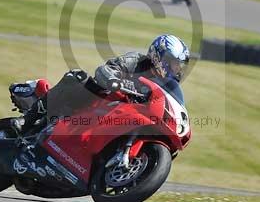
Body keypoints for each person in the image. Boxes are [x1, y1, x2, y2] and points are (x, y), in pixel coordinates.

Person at [19, 34, 190, 135]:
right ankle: (27, 120)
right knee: (77, 77)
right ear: (158, 55)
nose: (175, 69)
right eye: (173, 63)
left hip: (123, 117)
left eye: (178, 65)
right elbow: (107, 70)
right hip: (100, 102)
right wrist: (115, 80)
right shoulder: (136, 61)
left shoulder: (167, 85)